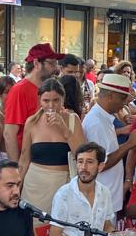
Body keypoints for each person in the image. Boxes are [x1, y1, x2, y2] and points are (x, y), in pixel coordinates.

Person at [49, 142, 116, 236]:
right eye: (80, 162)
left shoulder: (105, 192)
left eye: (89, 162)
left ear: (100, 166)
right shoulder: (64, 195)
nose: (83, 167)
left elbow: (107, 225)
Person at [20, 78, 86, 214]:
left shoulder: (73, 120)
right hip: (34, 186)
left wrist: (65, 130)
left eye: (56, 100)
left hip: (62, 185)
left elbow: (82, 156)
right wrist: (16, 187)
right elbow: (24, 159)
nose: (51, 105)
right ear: (40, 100)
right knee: (34, 225)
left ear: (63, 99)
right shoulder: (32, 122)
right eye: (46, 100)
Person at [82, 73, 136, 212]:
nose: (125, 103)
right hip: (101, 200)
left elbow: (109, 152)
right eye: (122, 98)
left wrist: (132, 142)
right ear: (111, 96)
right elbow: (101, 163)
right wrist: (129, 144)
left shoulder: (103, 118)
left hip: (107, 196)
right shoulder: (96, 123)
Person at [4, 43, 64, 160]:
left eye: (56, 64)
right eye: (51, 63)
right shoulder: (19, 90)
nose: (56, 68)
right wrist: (16, 167)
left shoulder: (50, 88)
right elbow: (9, 134)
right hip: (29, 162)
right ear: (36, 63)